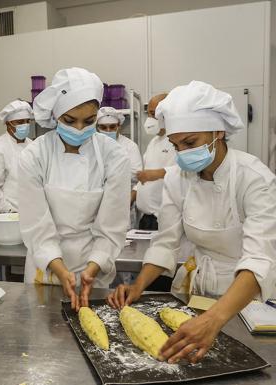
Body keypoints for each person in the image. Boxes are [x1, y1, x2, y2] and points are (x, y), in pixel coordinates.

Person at [108, 81, 276, 364]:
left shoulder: (253, 178)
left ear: (218, 131)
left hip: (246, 302)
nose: (183, 153)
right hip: (194, 294)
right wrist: (138, 286)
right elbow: (167, 242)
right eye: (176, 145)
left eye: (190, 143)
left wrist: (214, 319)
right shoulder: (177, 178)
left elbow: (259, 258)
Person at [19, 68, 130, 311]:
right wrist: (59, 269)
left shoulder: (114, 156)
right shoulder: (34, 155)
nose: (79, 128)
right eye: (70, 121)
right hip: (44, 269)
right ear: (56, 116)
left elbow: (111, 226)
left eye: (89, 121)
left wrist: (93, 268)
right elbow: (36, 225)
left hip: (94, 269)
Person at [0, 99, 33, 213]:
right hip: (8, 215)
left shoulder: (33, 146)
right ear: (8, 123)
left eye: (27, 121)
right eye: (19, 122)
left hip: (32, 214)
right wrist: (8, 211)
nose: (25, 125)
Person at [134, 94, 176, 230]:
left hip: (164, 219)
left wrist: (156, 174)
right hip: (146, 219)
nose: (149, 119)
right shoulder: (153, 143)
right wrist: (130, 197)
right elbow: (145, 177)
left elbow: (184, 173)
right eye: (149, 114)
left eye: (153, 114)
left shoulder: (177, 141)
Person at [96, 106, 143, 225]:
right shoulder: (92, 145)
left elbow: (137, 176)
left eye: (112, 127)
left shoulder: (129, 147)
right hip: (96, 205)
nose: (108, 130)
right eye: (103, 127)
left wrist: (128, 200)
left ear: (119, 127)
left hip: (121, 202)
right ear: (97, 128)